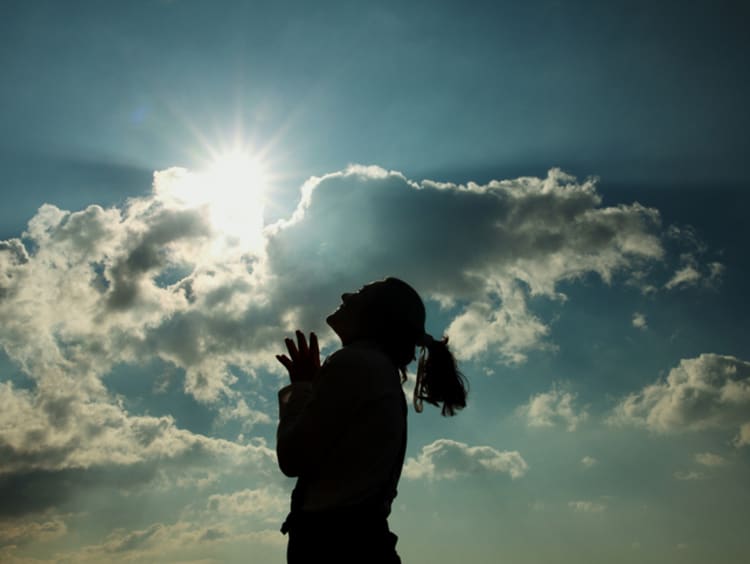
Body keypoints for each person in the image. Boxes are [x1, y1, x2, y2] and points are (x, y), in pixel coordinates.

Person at [275, 277, 468, 563]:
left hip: (336, 547)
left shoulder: (353, 363)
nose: (345, 294)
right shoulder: (373, 368)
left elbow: (292, 458)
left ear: (375, 316)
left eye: (361, 293)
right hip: (359, 541)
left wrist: (303, 386)